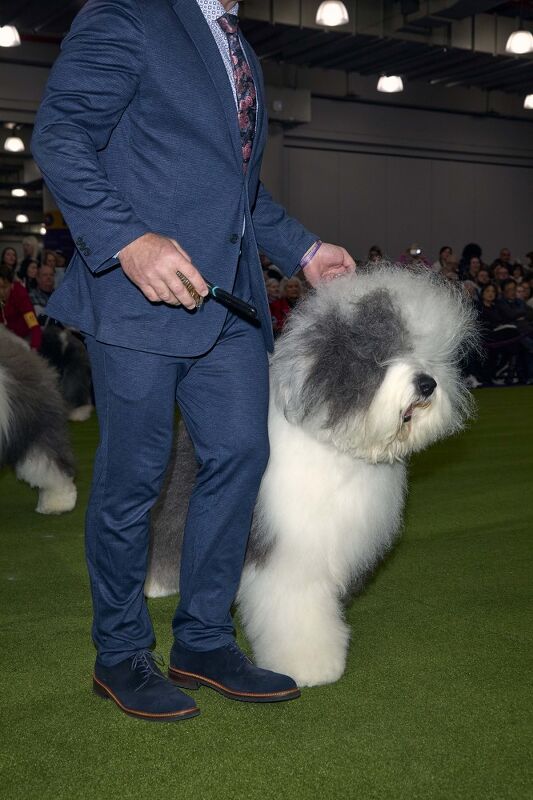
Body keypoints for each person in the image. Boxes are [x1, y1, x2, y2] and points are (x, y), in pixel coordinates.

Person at [31, 0, 355, 723]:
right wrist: (127, 239)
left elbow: (237, 193)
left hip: (230, 303)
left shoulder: (238, 45)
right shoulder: (128, 13)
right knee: (134, 480)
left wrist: (303, 250)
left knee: (241, 457)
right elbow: (60, 132)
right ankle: (120, 653)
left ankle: (203, 640)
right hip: (140, 293)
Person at [0, 264, 42, 349]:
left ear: (11, 285)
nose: (1, 292)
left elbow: (33, 325)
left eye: (4, 287)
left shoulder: (20, 294)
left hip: (25, 338)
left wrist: (33, 349)